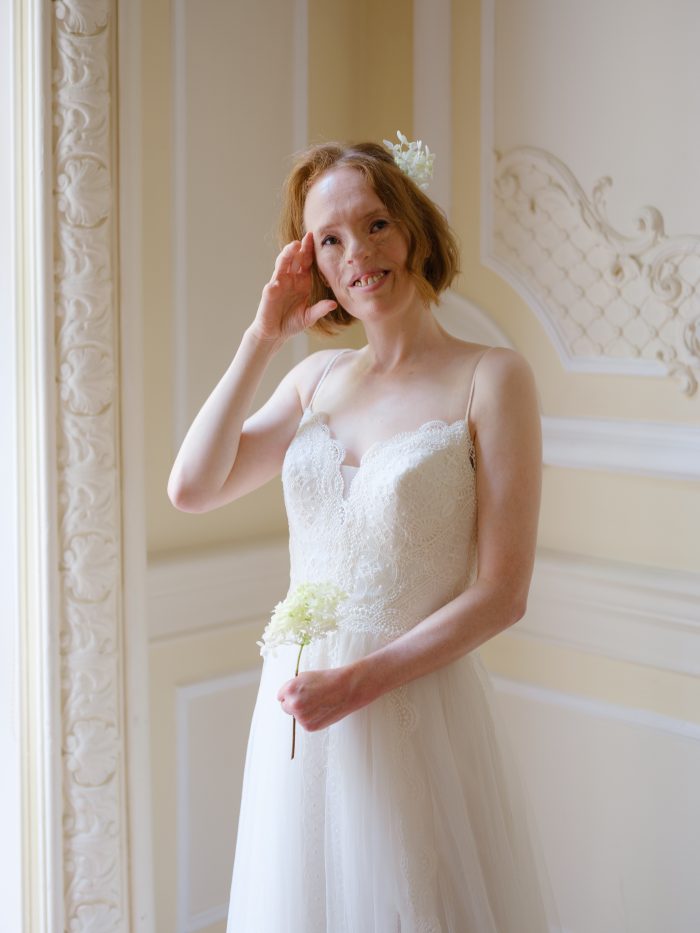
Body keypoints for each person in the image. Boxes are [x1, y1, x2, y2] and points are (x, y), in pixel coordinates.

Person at [168, 139, 558, 932]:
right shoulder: (313, 381)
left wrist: (361, 681)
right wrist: (262, 339)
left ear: (412, 228)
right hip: (299, 714)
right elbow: (192, 486)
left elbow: (503, 593)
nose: (359, 254)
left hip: (412, 714)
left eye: (376, 223)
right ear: (309, 259)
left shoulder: (492, 376)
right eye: (331, 240)